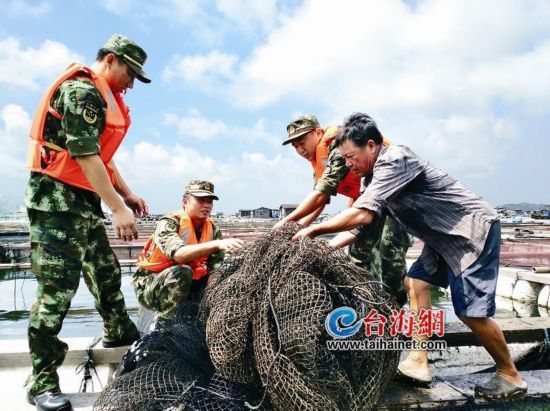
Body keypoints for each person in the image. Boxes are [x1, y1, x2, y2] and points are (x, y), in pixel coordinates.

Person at [294, 112, 527, 400]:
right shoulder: (373, 181)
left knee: (469, 312)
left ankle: (509, 374)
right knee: (415, 283)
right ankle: (418, 361)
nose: (349, 165)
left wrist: (313, 231)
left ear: (371, 145)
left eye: (351, 157)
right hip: (442, 239)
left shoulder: (395, 159)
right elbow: (361, 229)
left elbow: (362, 214)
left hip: (471, 231)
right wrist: (324, 246)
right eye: (343, 159)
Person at [25, 34, 151, 410]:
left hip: (82, 201)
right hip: (56, 203)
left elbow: (103, 156)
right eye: (130, 73)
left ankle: (118, 332)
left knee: (105, 272)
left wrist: (125, 193)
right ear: (111, 60)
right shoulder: (81, 92)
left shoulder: (103, 96)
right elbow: (83, 153)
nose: (132, 83)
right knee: (56, 291)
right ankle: (41, 380)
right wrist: (117, 208)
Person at [275, 115, 411, 305]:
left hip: (396, 200)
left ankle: (395, 310)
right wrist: (295, 230)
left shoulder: (340, 144)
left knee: (390, 255)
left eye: (302, 142)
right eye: (295, 146)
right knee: (357, 253)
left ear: (318, 132)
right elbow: (320, 203)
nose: (300, 149)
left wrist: (283, 224)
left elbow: (321, 195)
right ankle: (370, 306)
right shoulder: (318, 160)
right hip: (368, 202)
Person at [133, 180, 244, 321]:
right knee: (182, 271)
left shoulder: (213, 230)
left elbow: (215, 268)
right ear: (185, 201)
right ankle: (165, 324)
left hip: (189, 282)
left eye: (209, 201)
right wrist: (217, 244)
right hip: (152, 285)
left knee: (223, 277)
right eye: (200, 200)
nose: (206, 205)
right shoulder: (170, 223)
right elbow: (179, 255)